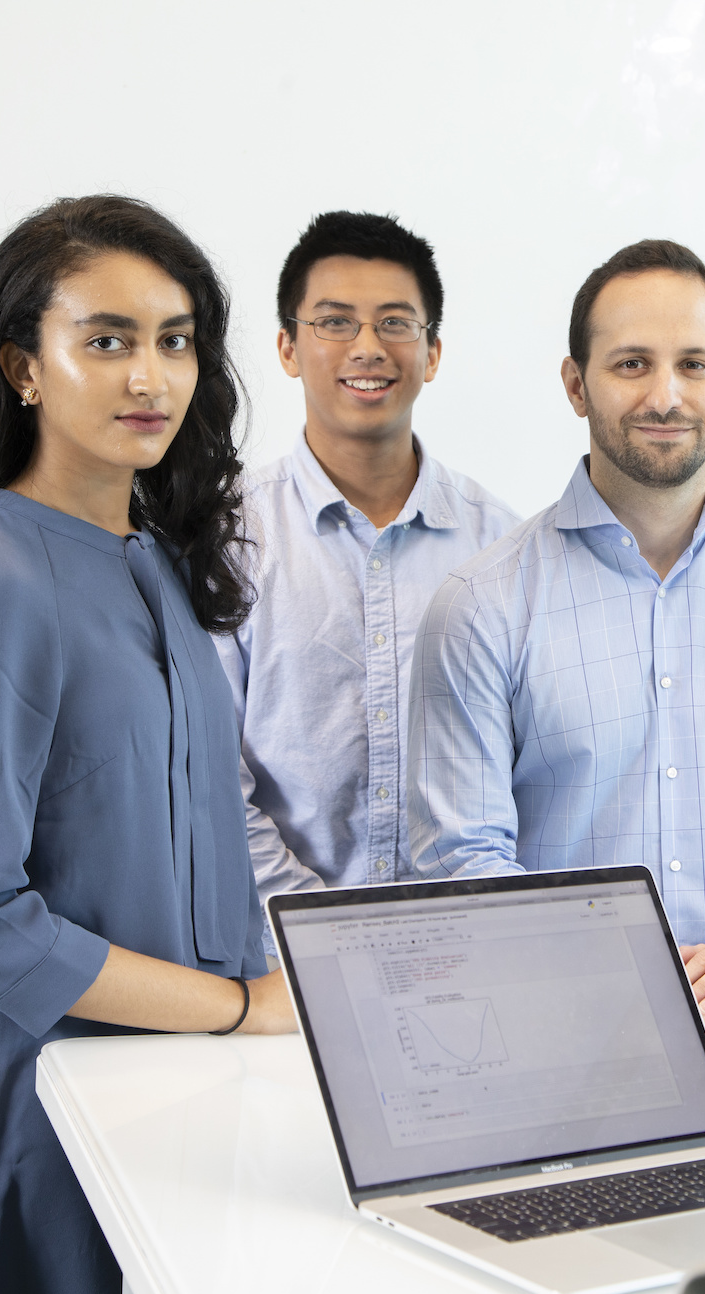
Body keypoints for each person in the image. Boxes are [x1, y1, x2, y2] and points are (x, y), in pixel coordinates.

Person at [0, 196, 294, 1294]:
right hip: (27, 1116)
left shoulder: (156, 562)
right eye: (105, 339)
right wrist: (232, 1008)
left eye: (174, 340)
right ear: (23, 366)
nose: (148, 375)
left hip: (178, 1098)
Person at [407, 239, 705, 1040]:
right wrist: (597, 986)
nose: (665, 395)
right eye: (631, 364)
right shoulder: (480, 605)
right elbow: (462, 856)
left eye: (695, 365)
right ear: (576, 384)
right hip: (556, 1034)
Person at [217, 213, 517, 925]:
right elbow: (210, 774)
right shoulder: (226, 537)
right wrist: (318, 925)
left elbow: (522, 767)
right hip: (273, 963)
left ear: (433, 351)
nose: (367, 347)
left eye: (395, 324)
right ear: (289, 347)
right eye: (335, 322)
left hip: (462, 946)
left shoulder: (502, 543)